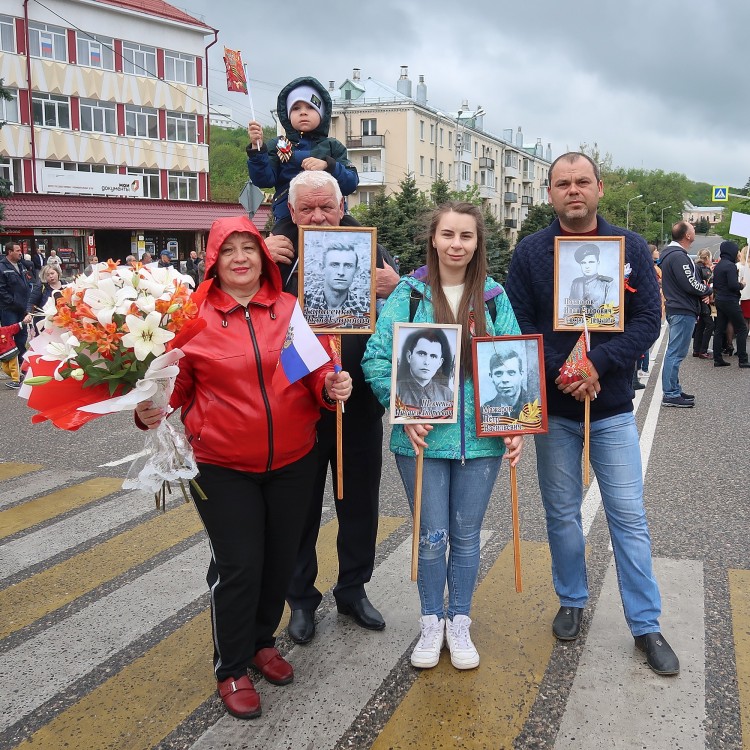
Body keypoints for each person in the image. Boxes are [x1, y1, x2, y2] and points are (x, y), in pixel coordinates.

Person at [135, 215, 352, 720]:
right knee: (239, 566)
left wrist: (330, 387)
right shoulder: (190, 317)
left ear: (262, 256)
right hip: (223, 466)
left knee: (279, 559)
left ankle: (260, 642)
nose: (239, 257)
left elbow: (313, 372)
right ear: (214, 259)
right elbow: (177, 388)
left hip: (293, 462)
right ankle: (230, 665)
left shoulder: (289, 309)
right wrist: (152, 408)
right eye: (228, 249)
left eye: (248, 248)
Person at [504, 151, 680, 676]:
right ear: (550, 192)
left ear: (599, 188)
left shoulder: (627, 246)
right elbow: (520, 321)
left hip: (611, 408)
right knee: (561, 513)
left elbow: (650, 318)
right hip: (556, 408)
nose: (573, 190)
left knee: (628, 516)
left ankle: (646, 624)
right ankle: (572, 599)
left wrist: (597, 363)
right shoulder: (532, 252)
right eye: (563, 183)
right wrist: (566, 369)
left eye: (583, 181)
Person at [362, 201, 523, 671]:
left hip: (482, 440)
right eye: (448, 235)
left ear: (478, 244)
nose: (456, 244)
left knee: (468, 536)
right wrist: (401, 409)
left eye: (466, 236)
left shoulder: (494, 297)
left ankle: (460, 620)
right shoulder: (409, 294)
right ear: (433, 239)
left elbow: (511, 360)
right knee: (432, 536)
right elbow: (376, 357)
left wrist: (514, 425)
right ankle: (431, 620)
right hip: (423, 438)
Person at [263, 170, 399, 646]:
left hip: (357, 401)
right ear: (291, 213)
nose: (318, 216)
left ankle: (353, 589)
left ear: (342, 207)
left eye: (327, 207)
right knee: (297, 507)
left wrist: (396, 286)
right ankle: (300, 599)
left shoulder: (370, 248)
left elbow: (411, 314)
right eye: (307, 209)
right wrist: (264, 257)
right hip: (295, 405)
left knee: (359, 502)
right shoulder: (273, 256)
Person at [247, 76, 359, 234]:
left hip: (331, 218)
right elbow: (263, 180)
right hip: (288, 218)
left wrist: (329, 166)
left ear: (322, 113)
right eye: (296, 108)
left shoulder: (333, 146)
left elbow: (350, 183)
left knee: (365, 242)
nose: (303, 113)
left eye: (311, 107)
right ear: (287, 114)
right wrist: (257, 149)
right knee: (280, 251)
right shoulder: (277, 145)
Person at [659, 221, 711, 407]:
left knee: (676, 352)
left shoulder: (672, 255)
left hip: (679, 307)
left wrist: (702, 293)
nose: (695, 230)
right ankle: (671, 393)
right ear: (687, 236)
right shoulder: (679, 257)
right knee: (676, 352)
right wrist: (707, 291)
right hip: (682, 309)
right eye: (693, 229)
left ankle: (674, 388)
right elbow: (690, 283)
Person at [395, 327, 455, 416]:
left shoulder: (448, 395)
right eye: (422, 354)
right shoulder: (396, 390)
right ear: (409, 357)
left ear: (440, 362)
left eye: (433, 356)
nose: (426, 362)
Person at [303, 243, 369, 318]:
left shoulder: (366, 307)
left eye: (348, 266)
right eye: (334, 265)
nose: (341, 272)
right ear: (322, 268)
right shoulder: (304, 301)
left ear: (356, 271)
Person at [712, 241, 749, 368]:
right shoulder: (731, 266)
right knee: (742, 328)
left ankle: (717, 358)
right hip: (730, 300)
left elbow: (716, 284)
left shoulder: (719, 265)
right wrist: (742, 285)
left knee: (719, 329)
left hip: (720, 299)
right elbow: (733, 285)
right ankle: (743, 359)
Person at [0, 242, 33, 366]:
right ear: (9, 252)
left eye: (20, 250)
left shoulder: (21, 265)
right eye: (18, 250)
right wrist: (13, 302)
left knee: (22, 336)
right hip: (9, 309)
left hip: (22, 308)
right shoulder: (2, 267)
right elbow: (1, 290)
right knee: (9, 336)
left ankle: (22, 363)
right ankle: (11, 365)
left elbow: (26, 284)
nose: (20, 253)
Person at [567, 243, 614, 315]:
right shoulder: (576, 283)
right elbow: (569, 311)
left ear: (598, 263)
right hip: (577, 324)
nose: (587, 266)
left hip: (600, 324)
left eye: (591, 262)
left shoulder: (607, 283)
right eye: (583, 263)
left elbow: (611, 313)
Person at [482, 348, 528, 419]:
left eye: (511, 373)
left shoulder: (536, 406)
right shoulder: (484, 411)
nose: (505, 380)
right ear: (491, 377)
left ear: (521, 375)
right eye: (498, 373)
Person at [27, 265, 66, 334]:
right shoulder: (41, 287)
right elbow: (32, 303)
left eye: (52, 273)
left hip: (64, 321)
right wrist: (29, 314)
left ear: (58, 273)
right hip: (45, 322)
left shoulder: (66, 286)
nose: (51, 276)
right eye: (47, 275)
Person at [691, 248, 714, 359]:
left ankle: (696, 349)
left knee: (701, 325)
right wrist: (707, 295)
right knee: (710, 325)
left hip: (697, 299)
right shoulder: (704, 269)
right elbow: (707, 283)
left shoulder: (695, 267)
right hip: (704, 299)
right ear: (707, 258)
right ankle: (703, 350)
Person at [0, 321, 22, 388]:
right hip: (3, 356)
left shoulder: (4, 330)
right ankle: (19, 376)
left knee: (13, 367)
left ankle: (16, 381)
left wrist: (23, 322)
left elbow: (14, 327)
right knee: (5, 369)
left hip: (12, 352)